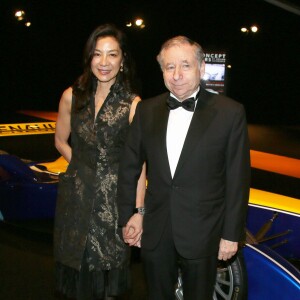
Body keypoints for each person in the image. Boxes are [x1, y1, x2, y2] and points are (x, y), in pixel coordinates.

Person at [117, 35, 251, 299]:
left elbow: (238, 178)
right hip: (155, 230)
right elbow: (129, 166)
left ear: (201, 69)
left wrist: (231, 234)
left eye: (185, 65)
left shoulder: (230, 113)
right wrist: (130, 214)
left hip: (204, 231)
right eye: (169, 67)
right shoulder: (146, 110)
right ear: (162, 72)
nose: (177, 74)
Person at [53, 24, 145, 300]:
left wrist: (139, 212)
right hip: (75, 200)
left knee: (108, 282)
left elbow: (139, 164)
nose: (104, 63)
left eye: (112, 55)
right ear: (89, 58)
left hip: (114, 205)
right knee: (75, 277)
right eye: (97, 54)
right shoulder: (72, 96)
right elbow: (60, 141)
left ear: (123, 59)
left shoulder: (133, 104)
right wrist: (80, 165)